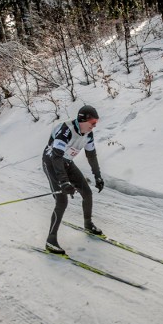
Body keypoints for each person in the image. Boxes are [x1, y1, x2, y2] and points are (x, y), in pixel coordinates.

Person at [42, 105, 105, 254]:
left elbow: (91, 155)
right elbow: (56, 157)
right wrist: (64, 181)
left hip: (67, 162)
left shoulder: (88, 134)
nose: (94, 126)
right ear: (83, 120)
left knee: (87, 193)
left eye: (96, 122)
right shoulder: (65, 131)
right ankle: (51, 241)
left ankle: (88, 224)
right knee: (62, 201)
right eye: (93, 122)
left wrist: (97, 175)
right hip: (51, 162)